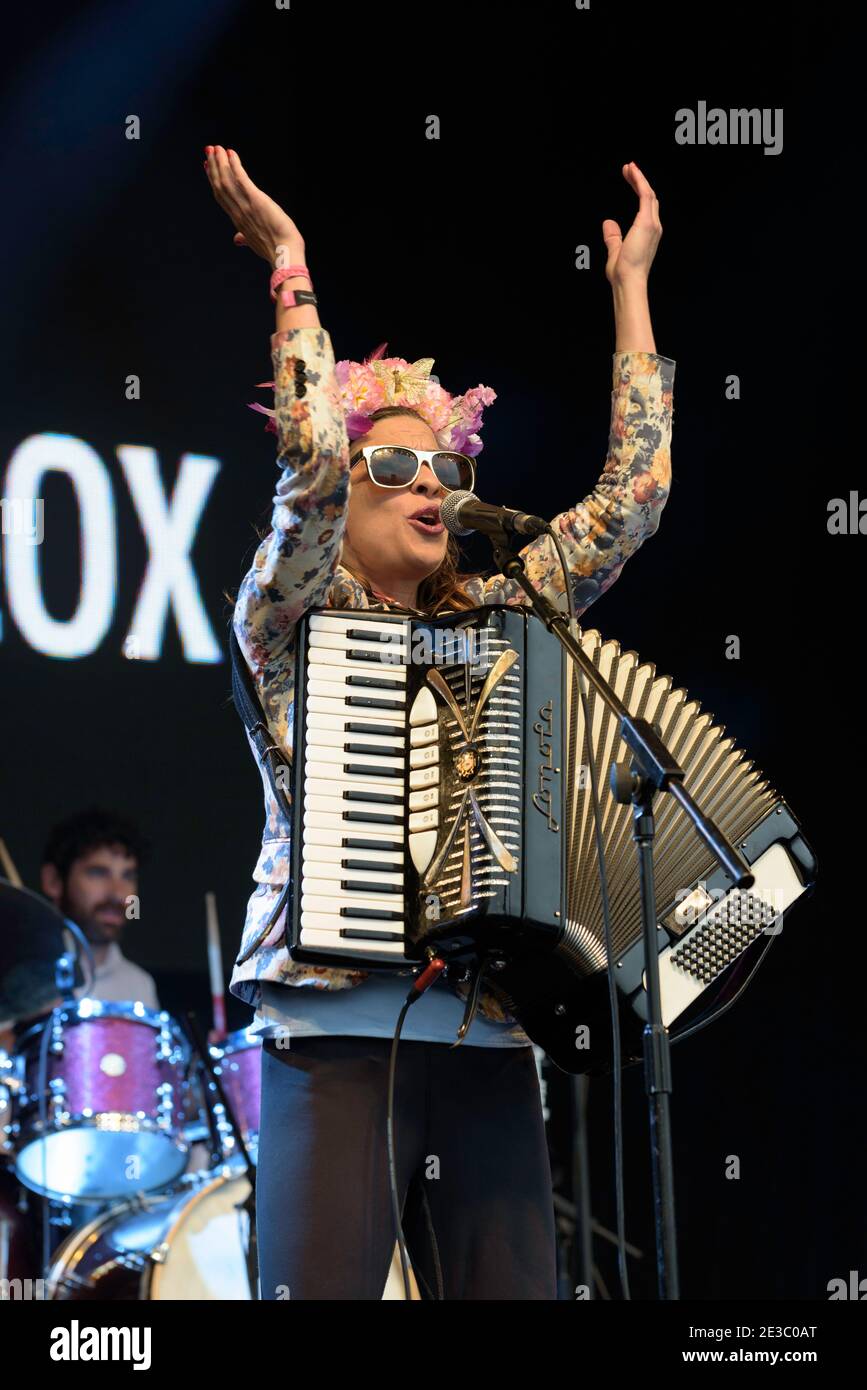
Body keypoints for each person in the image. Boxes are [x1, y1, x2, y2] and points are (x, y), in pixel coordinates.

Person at [205, 144, 675, 1300]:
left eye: (447, 462)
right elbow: (312, 466)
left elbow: (635, 501)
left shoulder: (499, 608)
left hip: (490, 1033)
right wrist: (291, 269)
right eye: (399, 462)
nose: (431, 483)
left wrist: (631, 294)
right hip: (333, 1032)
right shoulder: (286, 616)